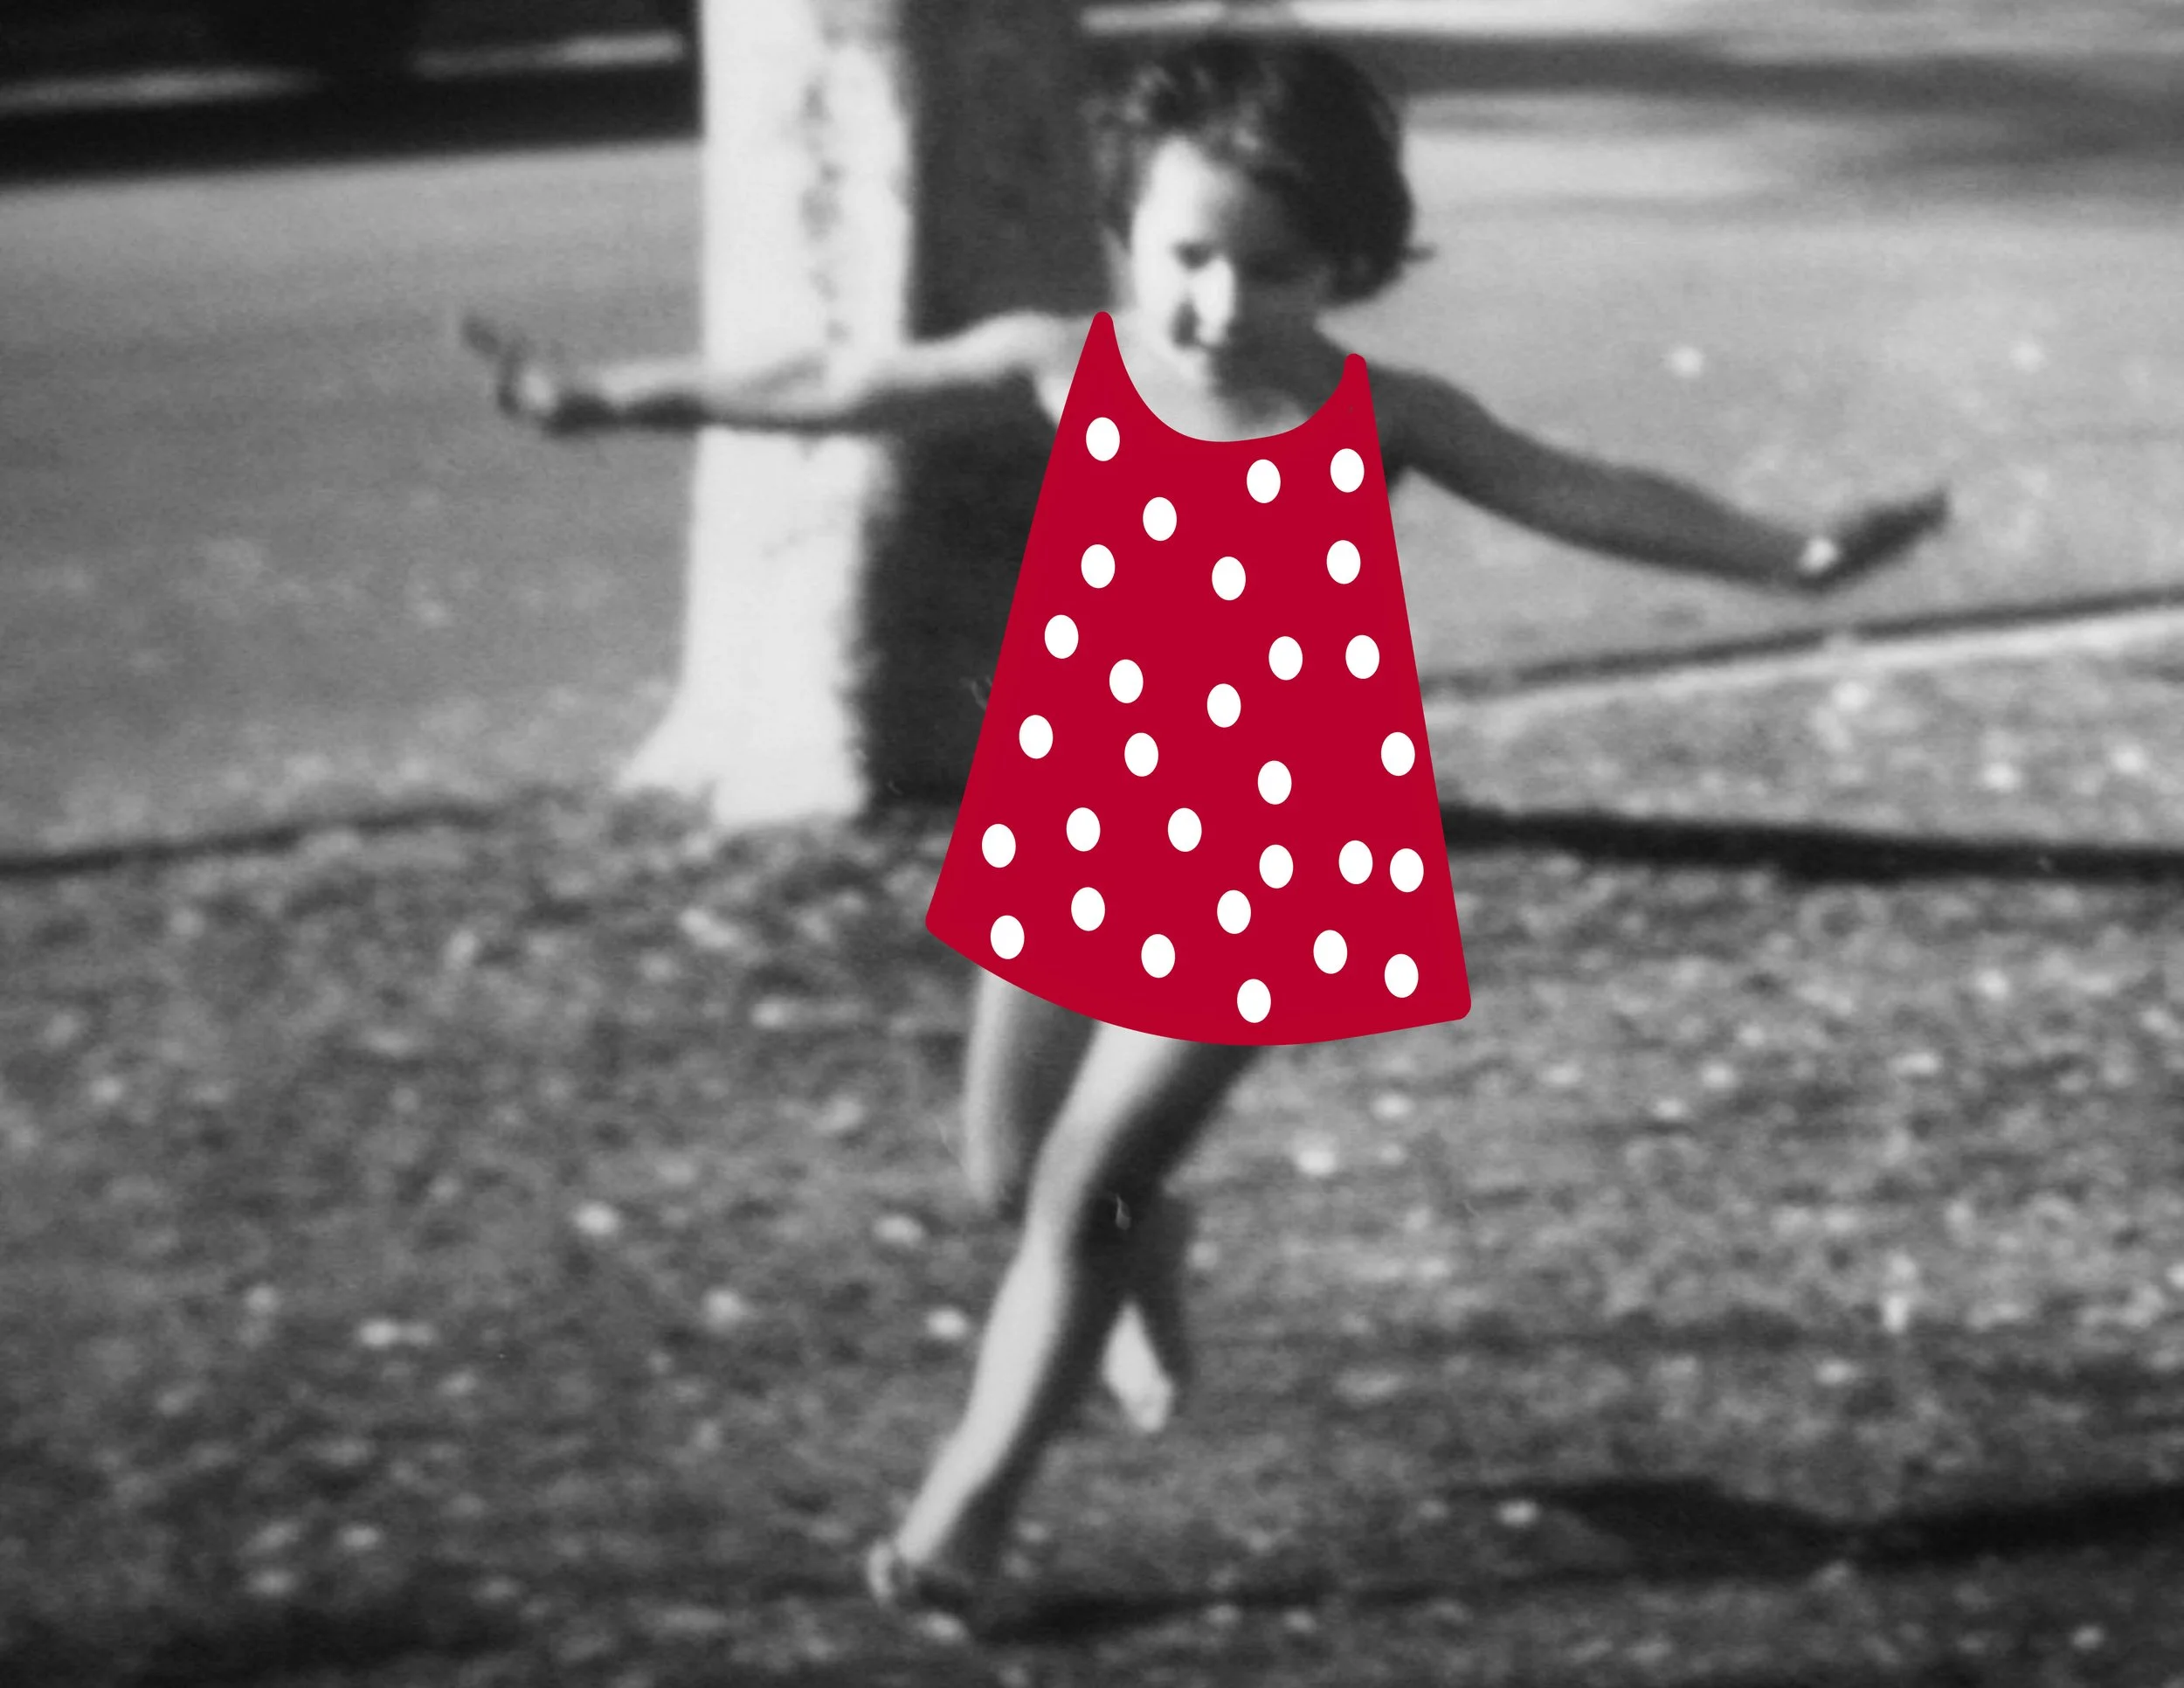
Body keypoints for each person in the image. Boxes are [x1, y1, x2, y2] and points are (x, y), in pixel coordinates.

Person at [467, 36, 1948, 1626]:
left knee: (1076, 1194)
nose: (1220, 307)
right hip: (1074, 824)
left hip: (1270, 869)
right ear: (1129, 235)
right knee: (1005, 1176)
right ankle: (1150, 1245)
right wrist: (605, 395)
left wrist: (1784, 554)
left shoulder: (1386, 417)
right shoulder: (1069, 365)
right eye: (1187, 259)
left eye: (1275, 270)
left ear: (1351, 267)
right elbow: (837, 382)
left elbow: (1582, 488)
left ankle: (964, 1514)